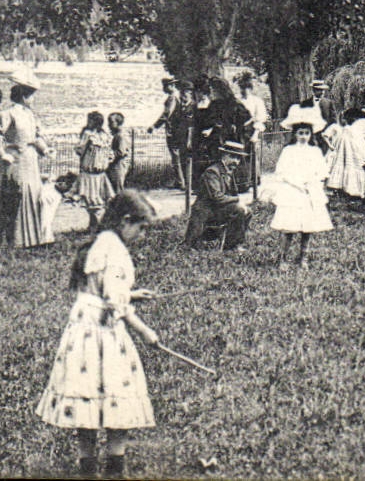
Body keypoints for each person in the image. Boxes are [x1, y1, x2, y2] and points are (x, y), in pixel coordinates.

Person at [36, 190, 161, 480]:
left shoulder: (99, 242)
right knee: (117, 392)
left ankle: (87, 465)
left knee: (87, 394)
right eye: (141, 228)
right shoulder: (117, 252)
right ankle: (115, 466)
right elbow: (116, 304)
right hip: (104, 333)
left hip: (81, 333)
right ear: (125, 221)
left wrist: (131, 294)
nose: (142, 236)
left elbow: (100, 290)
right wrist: (145, 332)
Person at [0, 71, 53, 249]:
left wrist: (45, 149)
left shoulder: (30, 115)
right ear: (23, 96)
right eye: (31, 96)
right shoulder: (8, 114)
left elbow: (35, 136)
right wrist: (2, 154)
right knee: (17, 196)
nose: (33, 100)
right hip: (15, 162)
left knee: (33, 195)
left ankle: (32, 239)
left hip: (30, 160)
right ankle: (13, 241)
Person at [269, 122, 333, 268]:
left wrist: (312, 182)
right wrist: (296, 183)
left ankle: (303, 257)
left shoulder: (315, 151)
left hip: (310, 190)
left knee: (307, 226)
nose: (303, 136)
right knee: (289, 227)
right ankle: (283, 258)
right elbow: (281, 172)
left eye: (306, 133)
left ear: (311, 135)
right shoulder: (288, 151)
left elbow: (322, 171)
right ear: (295, 134)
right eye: (300, 133)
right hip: (292, 190)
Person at [184, 142, 250, 251]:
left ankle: (232, 243)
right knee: (238, 209)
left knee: (248, 211)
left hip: (218, 209)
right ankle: (231, 245)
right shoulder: (212, 172)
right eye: (233, 157)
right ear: (224, 156)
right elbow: (217, 197)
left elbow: (232, 193)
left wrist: (239, 201)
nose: (236, 161)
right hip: (207, 212)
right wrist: (238, 200)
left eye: (238, 158)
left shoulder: (229, 170)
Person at [325, 106, 365, 201]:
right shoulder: (353, 132)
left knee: (348, 168)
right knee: (354, 169)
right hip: (355, 156)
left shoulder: (345, 131)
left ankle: (344, 189)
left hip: (349, 155)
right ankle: (354, 190)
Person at [76, 111, 117, 234]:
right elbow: (111, 155)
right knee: (96, 200)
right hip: (100, 171)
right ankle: (93, 225)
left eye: (89, 120)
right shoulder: (105, 136)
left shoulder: (88, 134)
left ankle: (96, 226)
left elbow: (79, 150)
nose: (87, 123)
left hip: (90, 172)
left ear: (94, 122)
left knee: (92, 200)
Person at [150, 79, 191, 189]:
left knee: (176, 156)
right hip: (178, 131)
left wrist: (154, 126)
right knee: (177, 156)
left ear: (172, 86)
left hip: (174, 131)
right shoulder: (178, 97)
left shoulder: (173, 98)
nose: (164, 88)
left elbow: (167, 114)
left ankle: (181, 182)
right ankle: (181, 181)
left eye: (166, 86)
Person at [105, 112, 132, 194]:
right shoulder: (118, 134)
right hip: (117, 164)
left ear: (118, 123)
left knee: (117, 187)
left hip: (119, 164)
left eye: (111, 122)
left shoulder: (121, 135)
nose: (109, 125)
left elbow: (121, 152)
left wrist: (110, 156)